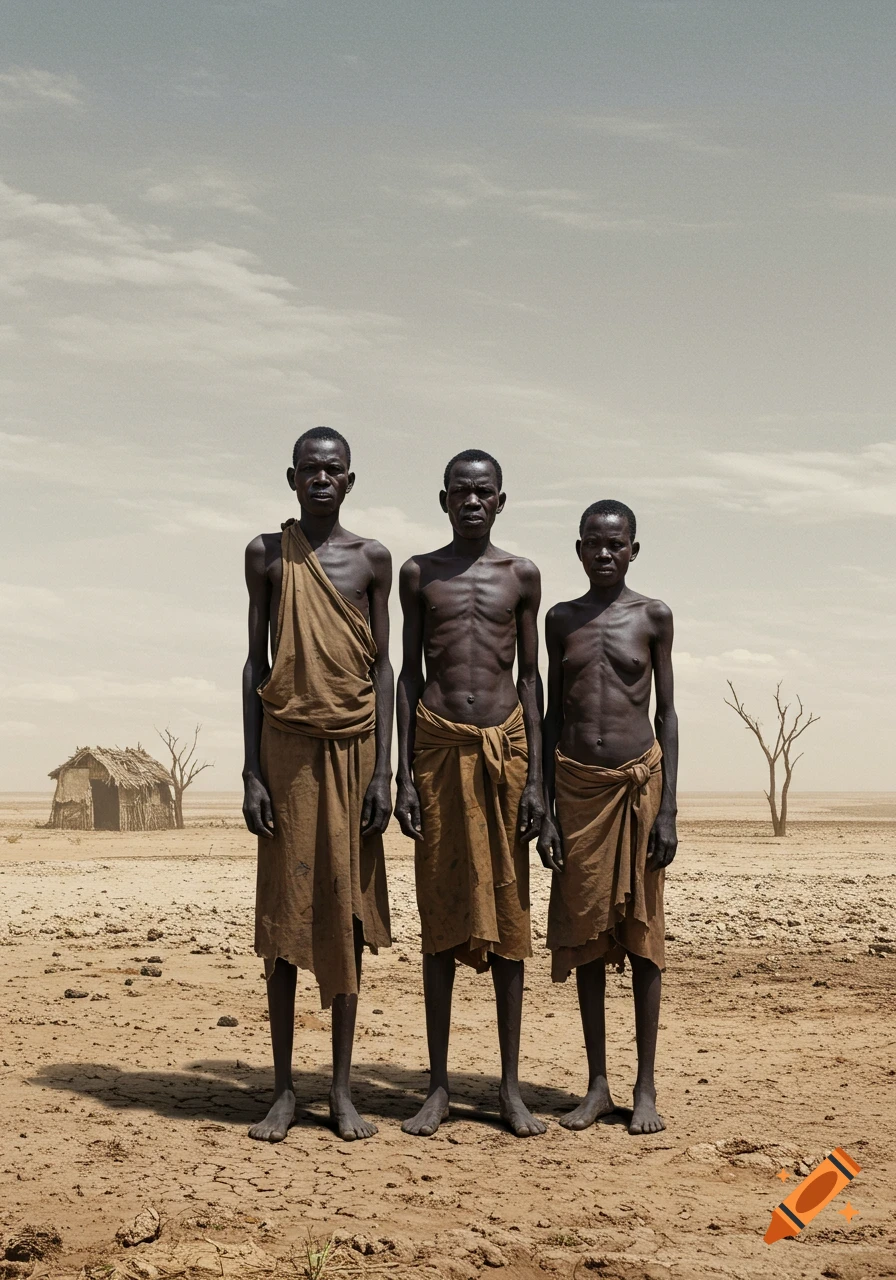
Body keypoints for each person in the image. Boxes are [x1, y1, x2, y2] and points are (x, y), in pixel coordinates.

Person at [241, 426, 393, 1142]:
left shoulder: (372, 560)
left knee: (347, 917)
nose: (322, 479)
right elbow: (253, 663)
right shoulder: (267, 556)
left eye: (334, 470)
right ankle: (281, 1091)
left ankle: (340, 1090)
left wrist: (384, 772)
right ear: (292, 478)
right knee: (284, 918)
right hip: (285, 753)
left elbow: (385, 669)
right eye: (311, 470)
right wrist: (251, 772)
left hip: (356, 751)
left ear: (350, 480)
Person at [395, 448, 546, 1138]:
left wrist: (538, 778)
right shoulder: (420, 573)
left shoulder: (522, 575)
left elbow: (533, 679)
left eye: (484, 492)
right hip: (437, 751)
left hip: (504, 754)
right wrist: (400, 774)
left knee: (511, 920)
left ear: (502, 500)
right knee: (440, 913)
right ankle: (438, 1087)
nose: (473, 501)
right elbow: (405, 672)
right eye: (462, 491)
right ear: (444, 499)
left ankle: (510, 1089)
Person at [538, 499, 678, 1135]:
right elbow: (547, 714)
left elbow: (667, 714)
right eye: (593, 542)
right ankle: (597, 1084)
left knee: (643, 939)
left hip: (635, 789)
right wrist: (540, 802)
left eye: (615, 544)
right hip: (575, 791)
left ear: (633, 551)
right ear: (578, 548)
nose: (603, 553)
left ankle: (644, 1086)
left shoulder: (653, 617)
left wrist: (669, 807)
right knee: (586, 936)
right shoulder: (561, 619)